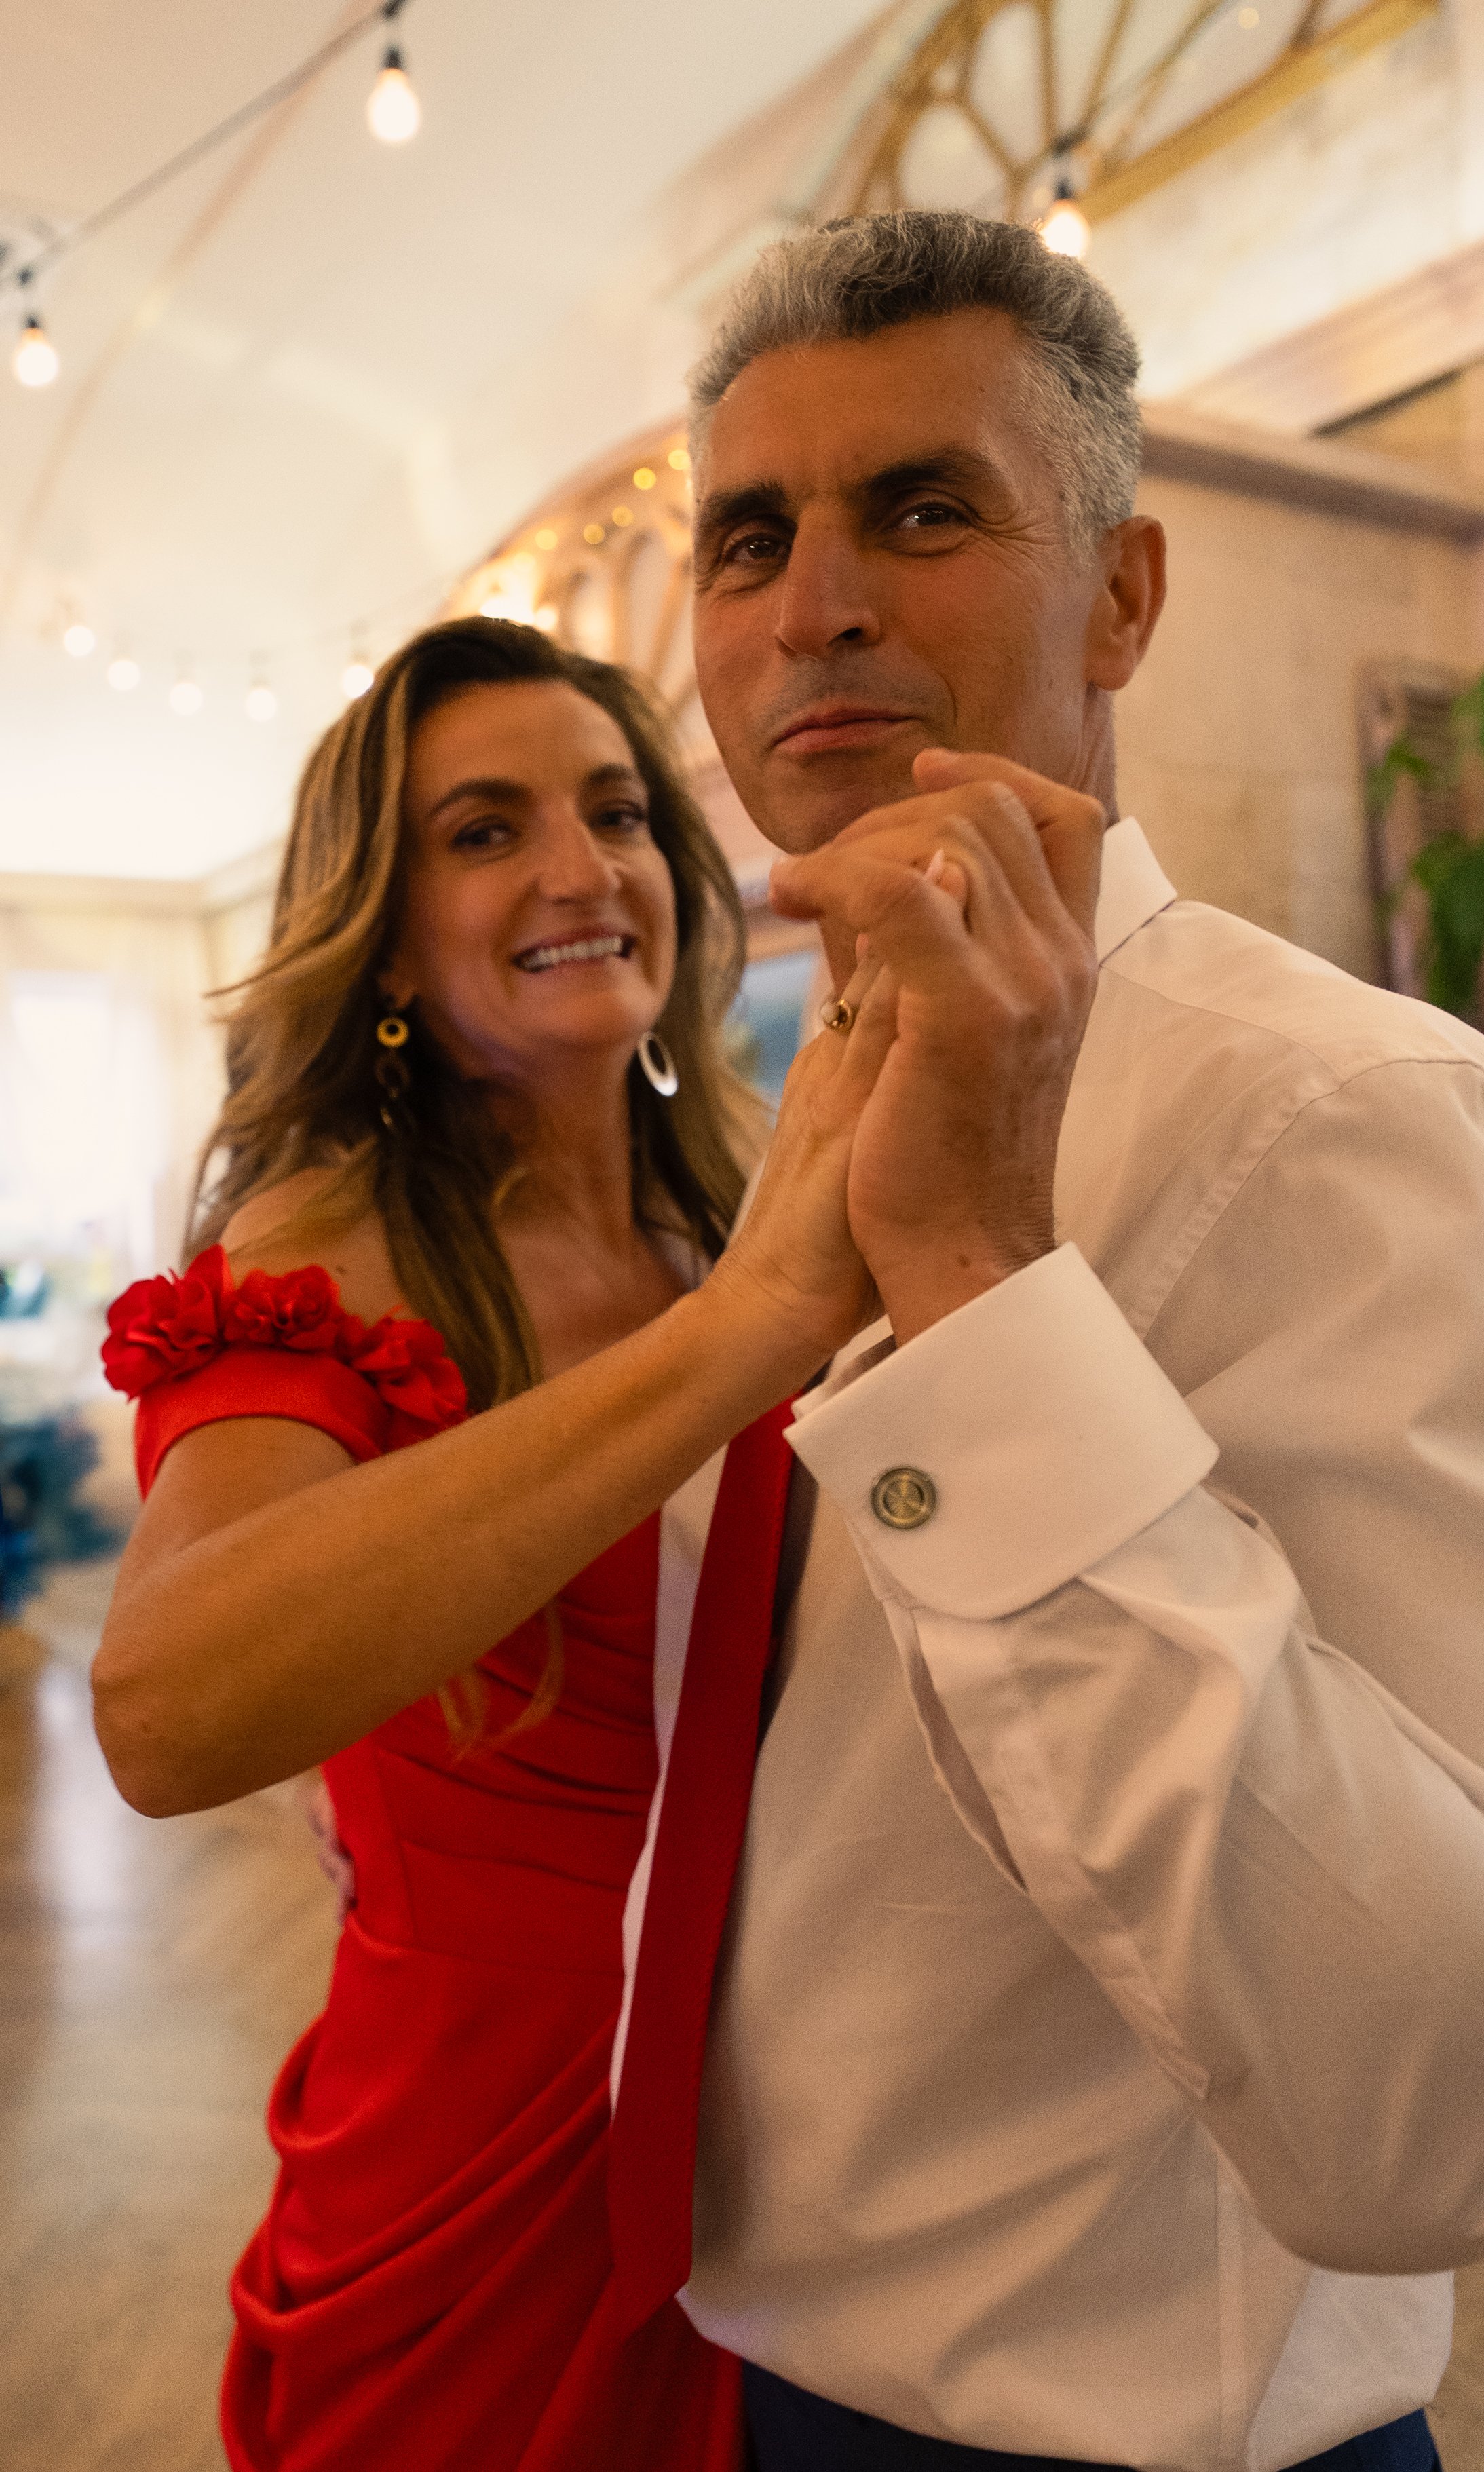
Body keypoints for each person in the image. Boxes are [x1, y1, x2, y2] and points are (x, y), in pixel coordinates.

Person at [603, 212, 1484, 2472]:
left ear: (1121, 594)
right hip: (736, 2353)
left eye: (920, 508)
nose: (814, 604)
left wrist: (987, 1285)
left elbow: (1425, 2091)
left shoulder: (1345, 1105)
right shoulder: (780, 1092)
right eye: (747, 538)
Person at [92, 614, 901, 2471]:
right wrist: (744, 1333)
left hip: (815, 2107)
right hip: (483, 2146)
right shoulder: (323, 1246)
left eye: (615, 810)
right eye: (482, 829)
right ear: (380, 927)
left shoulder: (750, 1202)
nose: (578, 867)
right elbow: (165, 1707)